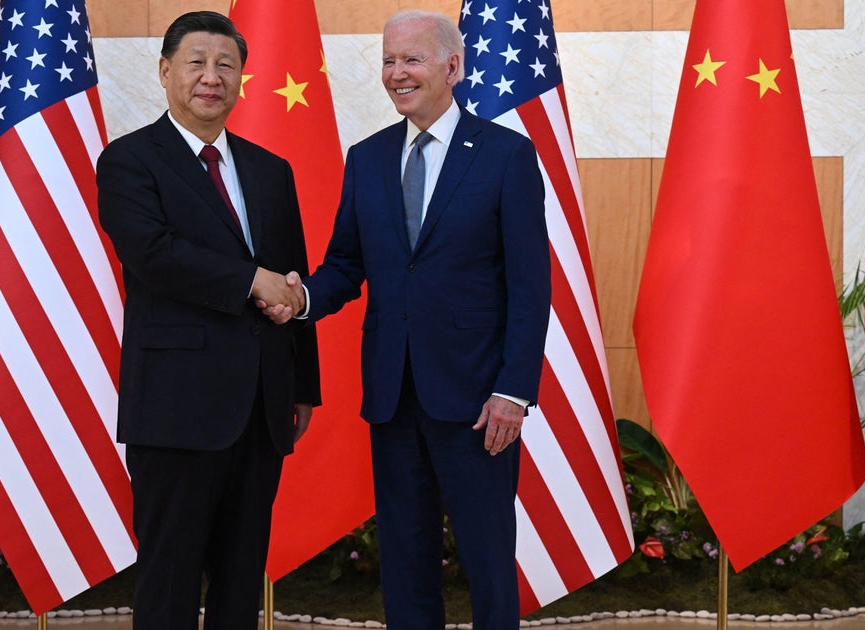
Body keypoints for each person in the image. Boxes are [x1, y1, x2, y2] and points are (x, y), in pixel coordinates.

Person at [260, 9, 549, 629]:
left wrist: (514, 391)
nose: (397, 73)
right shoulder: (366, 158)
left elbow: (531, 286)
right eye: (389, 61)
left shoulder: (506, 156)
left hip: (478, 400)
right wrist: (301, 297)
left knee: (489, 561)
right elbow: (344, 265)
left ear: (452, 66)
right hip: (392, 395)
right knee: (406, 558)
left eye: (411, 60)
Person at [95, 11, 321, 630]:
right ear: (166, 71)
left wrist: (302, 386)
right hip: (175, 409)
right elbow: (154, 254)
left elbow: (295, 278)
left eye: (226, 65)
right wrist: (251, 280)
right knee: (168, 580)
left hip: (262, 406)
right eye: (196, 62)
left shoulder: (272, 170)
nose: (211, 77)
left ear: (243, 78)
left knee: (240, 579)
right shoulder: (129, 161)